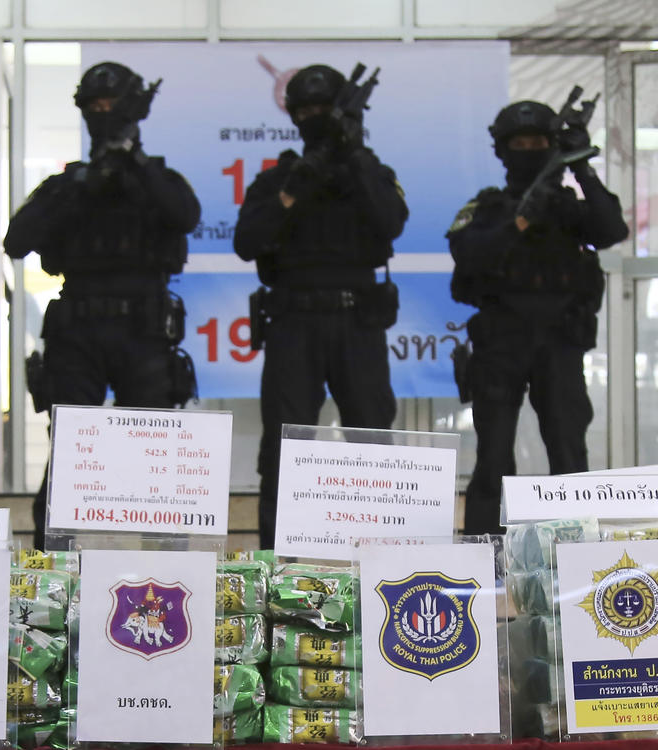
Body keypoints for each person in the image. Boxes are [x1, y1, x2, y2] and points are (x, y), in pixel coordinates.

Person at [3, 61, 201, 549]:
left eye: (112, 105)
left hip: (145, 330)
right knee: (70, 452)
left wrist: (133, 164)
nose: (103, 113)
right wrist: (80, 185)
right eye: (94, 106)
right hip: (78, 330)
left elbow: (185, 215)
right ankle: (50, 568)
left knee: (155, 452)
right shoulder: (68, 183)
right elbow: (16, 240)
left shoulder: (158, 179)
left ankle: (167, 565)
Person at [234, 64, 408, 550]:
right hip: (294, 323)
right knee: (284, 451)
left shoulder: (370, 172)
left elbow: (391, 221)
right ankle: (274, 565)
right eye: (305, 110)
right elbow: (247, 242)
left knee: (372, 445)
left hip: (358, 322)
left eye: (322, 110)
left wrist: (354, 157)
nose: (314, 117)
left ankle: (385, 563)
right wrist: (293, 189)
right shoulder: (277, 179)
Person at [448, 98, 628, 535]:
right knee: (492, 460)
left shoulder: (569, 206)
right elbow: (467, 254)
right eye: (520, 142)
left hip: (560, 342)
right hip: (500, 344)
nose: (530, 149)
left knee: (568, 456)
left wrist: (582, 167)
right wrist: (521, 220)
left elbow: (611, 230)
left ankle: (576, 565)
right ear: (504, 150)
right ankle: (481, 562)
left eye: (539, 142)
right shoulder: (487, 207)